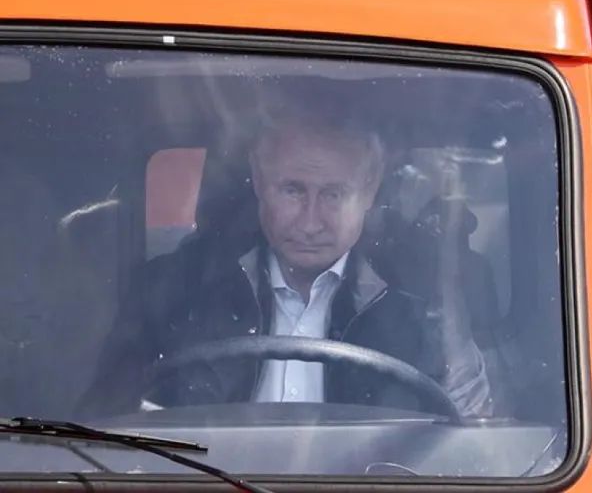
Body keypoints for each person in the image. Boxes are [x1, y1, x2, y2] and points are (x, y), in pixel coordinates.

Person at [80, 90, 492, 418]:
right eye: (293, 190)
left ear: (369, 189)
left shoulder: (425, 305)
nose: (311, 223)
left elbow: (472, 434)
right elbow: (106, 426)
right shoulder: (171, 291)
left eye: (334, 194)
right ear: (260, 181)